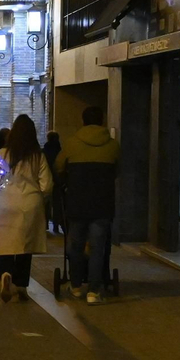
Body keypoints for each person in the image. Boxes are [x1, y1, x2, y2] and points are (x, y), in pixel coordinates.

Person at [54, 105, 120, 304]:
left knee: (76, 245)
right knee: (98, 247)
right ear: (102, 121)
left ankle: (75, 286)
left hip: (77, 203)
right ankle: (94, 291)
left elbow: (59, 168)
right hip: (102, 204)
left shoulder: (71, 143)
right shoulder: (113, 145)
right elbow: (117, 171)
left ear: (83, 121)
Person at [0, 114, 53, 302]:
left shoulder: (1, 154)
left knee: (6, 244)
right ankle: (22, 285)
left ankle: (5, 274)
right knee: (25, 247)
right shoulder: (37, 156)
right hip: (29, 204)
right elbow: (47, 185)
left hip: (5, 203)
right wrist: (40, 196)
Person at [43, 130, 64, 232]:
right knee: (57, 204)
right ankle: (56, 225)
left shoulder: (44, 151)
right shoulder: (61, 151)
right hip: (58, 180)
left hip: (46, 179)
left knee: (45, 204)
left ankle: (45, 224)